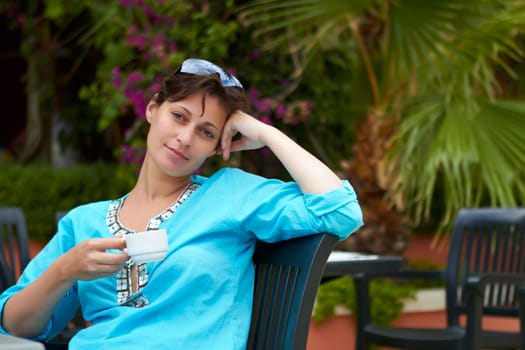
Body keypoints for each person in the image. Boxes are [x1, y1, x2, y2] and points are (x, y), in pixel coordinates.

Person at [0, 58, 363, 349]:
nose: (185, 138)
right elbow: (19, 325)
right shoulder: (84, 223)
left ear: (218, 145)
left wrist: (265, 133)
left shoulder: (230, 194)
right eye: (179, 116)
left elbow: (340, 210)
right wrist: (64, 270)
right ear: (152, 110)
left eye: (206, 132)